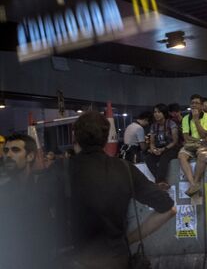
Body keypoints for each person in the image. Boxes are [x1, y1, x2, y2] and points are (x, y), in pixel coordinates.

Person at [56, 111, 176, 268]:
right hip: (116, 259)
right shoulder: (124, 169)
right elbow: (169, 210)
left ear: (75, 137)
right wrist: (128, 239)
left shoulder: (59, 170)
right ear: (106, 139)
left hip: (73, 260)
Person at [0, 134, 56, 268]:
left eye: (16, 150)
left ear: (30, 156)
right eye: (6, 150)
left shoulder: (46, 191)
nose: (8, 155)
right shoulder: (3, 193)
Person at [178, 94, 207, 196]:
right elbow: (186, 137)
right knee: (181, 155)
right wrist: (199, 140)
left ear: (202, 106)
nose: (194, 105)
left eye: (196, 103)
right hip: (191, 145)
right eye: (192, 103)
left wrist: (196, 119)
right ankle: (193, 184)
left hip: (203, 145)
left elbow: (204, 135)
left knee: (202, 154)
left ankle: (196, 181)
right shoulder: (185, 118)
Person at [145, 104, 180, 189]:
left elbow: (175, 141)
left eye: (159, 112)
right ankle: (161, 181)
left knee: (164, 157)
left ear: (164, 113)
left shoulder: (171, 123)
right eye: (155, 112)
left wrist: (163, 149)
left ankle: (159, 182)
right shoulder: (153, 126)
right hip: (159, 148)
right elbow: (152, 142)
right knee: (148, 158)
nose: (156, 114)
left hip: (171, 148)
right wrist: (153, 149)